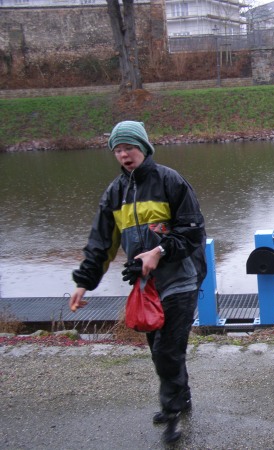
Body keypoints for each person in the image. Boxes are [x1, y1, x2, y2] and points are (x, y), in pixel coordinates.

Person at [69, 120, 207, 443]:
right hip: (146, 288)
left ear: (143, 148)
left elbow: (193, 232)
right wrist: (83, 283)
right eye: (117, 150)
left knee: (167, 351)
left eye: (129, 147)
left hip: (180, 280)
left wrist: (159, 251)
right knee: (159, 349)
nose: (124, 155)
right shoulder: (115, 193)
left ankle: (172, 414)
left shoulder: (171, 181)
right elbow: (100, 244)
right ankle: (181, 396)